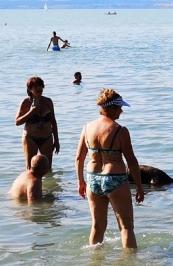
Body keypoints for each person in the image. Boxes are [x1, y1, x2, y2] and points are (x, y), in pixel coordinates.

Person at [75, 88, 144, 249]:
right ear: (111, 107)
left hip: (93, 179)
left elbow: (79, 158)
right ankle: (129, 263)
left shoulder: (87, 128)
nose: (121, 111)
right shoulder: (120, 130)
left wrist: (81, 181)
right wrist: (139, 186)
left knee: (97, 226)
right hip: (115, 178)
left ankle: (95, 261)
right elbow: (131, 161)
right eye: (119, 107)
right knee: (126, 227)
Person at [15, 77, 60, 171]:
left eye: (41, 86)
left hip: (47, 138)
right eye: (35, 86)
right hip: (30, 138)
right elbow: (17, 122)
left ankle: (49, 182)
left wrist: (56, 140)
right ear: (30, 89)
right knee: (30, 169)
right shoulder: (25, 102)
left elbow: (53, 122)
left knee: (47, 168)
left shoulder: (48, 101)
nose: (39, 88)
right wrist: (31, 112)